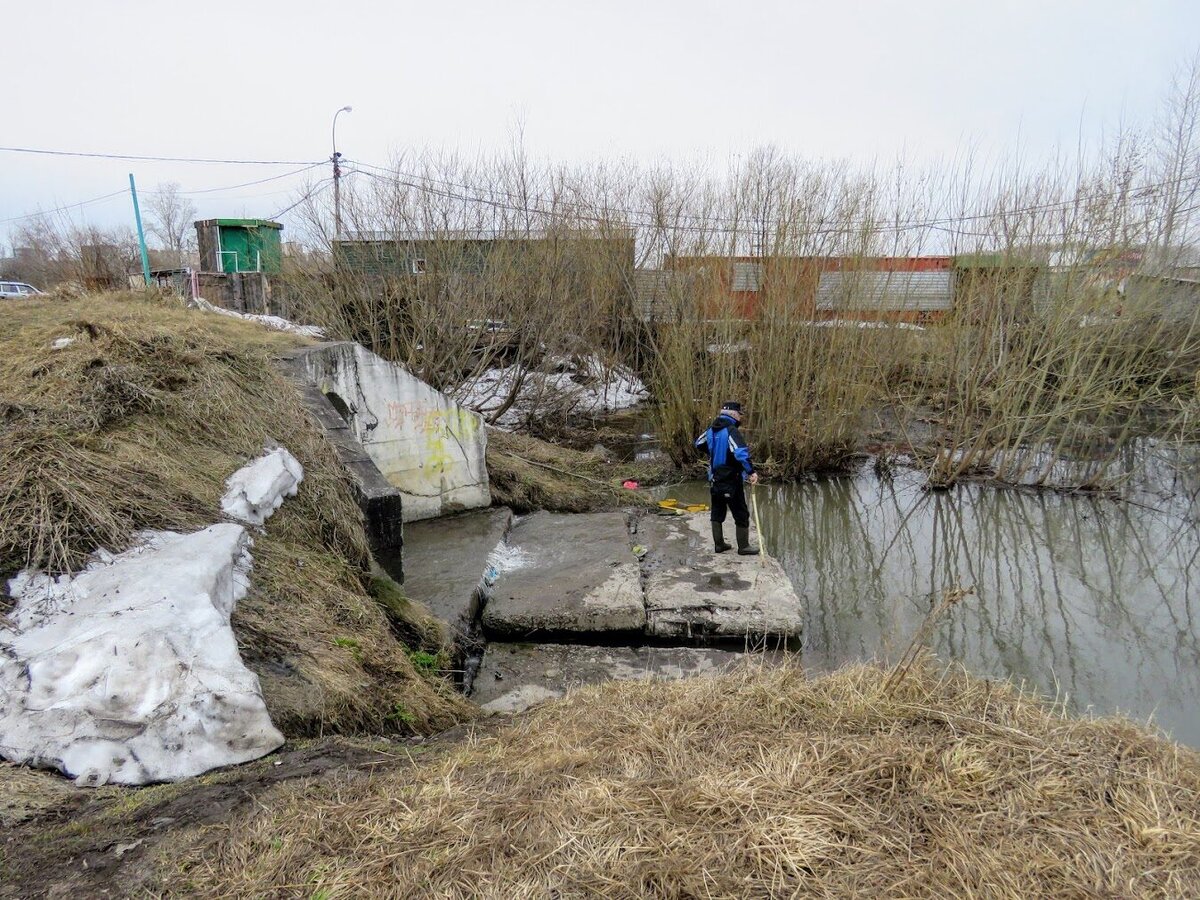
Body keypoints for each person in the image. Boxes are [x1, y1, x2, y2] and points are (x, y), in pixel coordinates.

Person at [694, 401, 759, 555]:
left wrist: (713, 451)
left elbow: (698, 443)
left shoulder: (711, 429)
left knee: (717, 511)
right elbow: (741, 453)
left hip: (715, 478)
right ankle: (743, 547)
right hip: (731, 479)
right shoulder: (731, 431)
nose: (740, 417)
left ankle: (719, 545)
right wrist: (751, 472)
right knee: (741, 513)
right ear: (733, 414)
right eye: (739, 414)